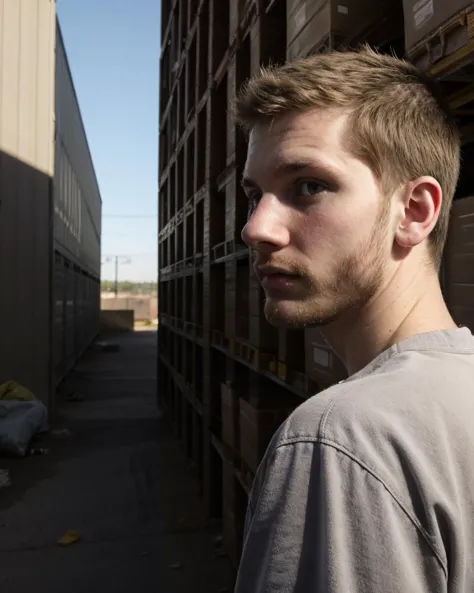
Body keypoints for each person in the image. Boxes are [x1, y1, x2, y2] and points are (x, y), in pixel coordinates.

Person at [232, 45, 474, 593]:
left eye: (309, 186)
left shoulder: (340, 438)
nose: (256, 229)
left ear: (414, 211)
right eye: (255, 194)